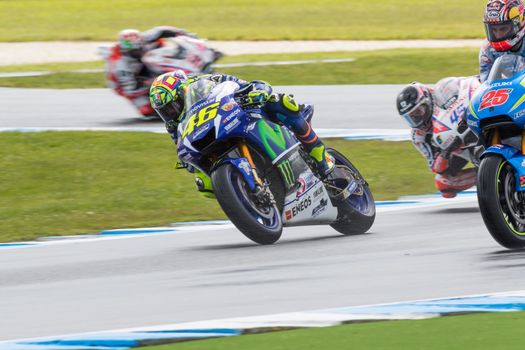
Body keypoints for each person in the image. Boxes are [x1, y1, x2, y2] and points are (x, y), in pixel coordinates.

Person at [149, 71, 335, 192]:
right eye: (164, 111)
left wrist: (256, 92)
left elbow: (244, 84)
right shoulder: (173, 124)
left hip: (239, 112)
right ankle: (244, 193)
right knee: (203, 183)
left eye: (171, 106)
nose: (169, 113)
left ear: (182, 93)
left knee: (282, 102)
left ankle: (319, 155)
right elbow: (181, 144)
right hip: (213, 134)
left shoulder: (206, 82)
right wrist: (189, 162)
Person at [396, 77, 480, 198]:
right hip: (454, 150)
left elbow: (470, 84)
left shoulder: (443, 89)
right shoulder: (418, 137)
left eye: (418, 112)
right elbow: (436, 167)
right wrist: (445, 152)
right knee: (444, 183)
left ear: (426, 102)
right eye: (411, 118)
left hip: (467, 123)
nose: (417, 120)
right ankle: (484, 175)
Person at [106, 26, 195, 119]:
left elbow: (161, 30)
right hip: (127, 86)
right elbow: (132, 90)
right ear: (124, 50)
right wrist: (152, 83)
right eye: (133, 51)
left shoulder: (143, 38)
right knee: (147, 110)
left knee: (155, 50)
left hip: (142, 66)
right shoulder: (121, 66)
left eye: (139, 48)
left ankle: (184, 66)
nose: (138, 52)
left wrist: (182, 33)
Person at [479, 0, 525, 82]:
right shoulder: (488, 49)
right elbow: (486, 84)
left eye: (503, 29)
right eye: (493, 30)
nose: (498, 35)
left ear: (518, 23)